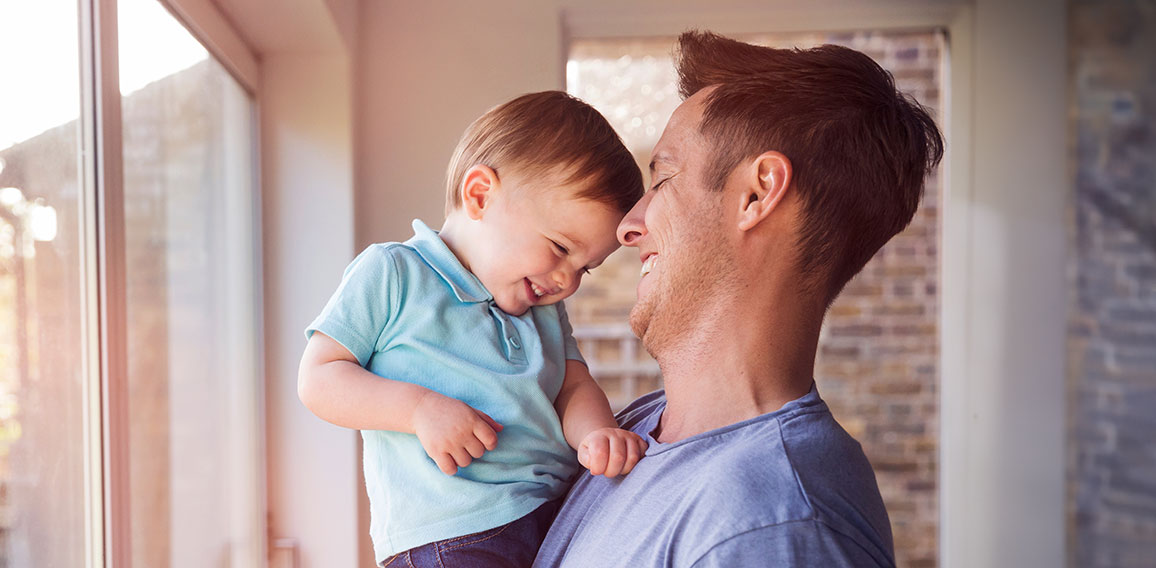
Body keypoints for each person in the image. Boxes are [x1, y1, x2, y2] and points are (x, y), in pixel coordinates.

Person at [534, 31, 944, 567]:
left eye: (662, 179)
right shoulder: (636, 429)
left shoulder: (773, 524)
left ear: (756, 194)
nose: (628, 227)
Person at [297, 91, 648, 567]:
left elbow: (573, 384)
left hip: (555, 514)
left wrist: (597, 433)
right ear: (479, 195)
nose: (566, 280)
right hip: (454, 532)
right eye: (560, 248)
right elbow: (319, 379)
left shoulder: (543, 307)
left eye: (586, 268)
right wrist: (419, 409)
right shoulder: (395, 273)